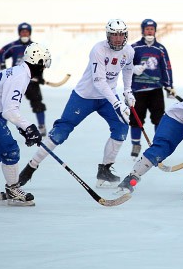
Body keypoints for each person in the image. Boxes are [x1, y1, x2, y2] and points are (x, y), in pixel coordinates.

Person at [18, 19, 135, 187]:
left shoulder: (129, 51)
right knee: (60, 132)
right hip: (84, 96)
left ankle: (105, 169)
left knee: (122, 127)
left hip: (106, 98)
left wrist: (128, 91)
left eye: (121, 35)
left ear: (126, 35)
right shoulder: (98, 50)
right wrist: (117, 104)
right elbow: (99, 82)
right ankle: (31, 166)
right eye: (114, 35)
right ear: (108, 35)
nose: (117, 38)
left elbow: (128, 70)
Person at [0, 43, 52, 206]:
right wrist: (28, 127)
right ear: (38, 63)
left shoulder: (19, 70)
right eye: (44, 64)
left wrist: (23, 128)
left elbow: (7, 107)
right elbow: (9, 111)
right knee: (10, 150)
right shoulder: (21, 77)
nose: (44, 68)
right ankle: (13, 190)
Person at [129, 18, 176, 159]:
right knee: (136, 119)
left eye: (152, 29)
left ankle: (158, 146)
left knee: (158, 119)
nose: (149, 31)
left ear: (155, 31)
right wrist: (133, 68)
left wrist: (169, 85)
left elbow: (166, 67)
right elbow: (124, 66)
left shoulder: (160, 49)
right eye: (147, 29)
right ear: (143, 30)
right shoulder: (134, 48)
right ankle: (136, 145)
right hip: (138, 90)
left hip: (156, 89)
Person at [0, 22, 49, 136]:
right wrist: (2, 67)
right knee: (8, 105)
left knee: (38, 103)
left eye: (26, 31)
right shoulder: (14, 46)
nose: (24, 33)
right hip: (16, 81)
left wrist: (39, 76)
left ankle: (42, 126)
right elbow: (2, 53)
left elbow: (42, 61)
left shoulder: (35, 46)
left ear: (30, 32)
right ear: (19, 32)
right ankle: (1, 127)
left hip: (31, 82)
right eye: (22, 31)